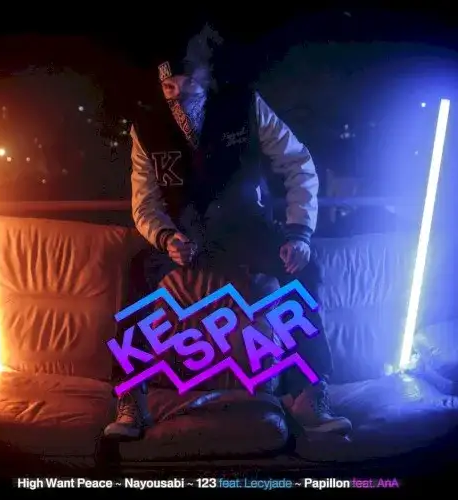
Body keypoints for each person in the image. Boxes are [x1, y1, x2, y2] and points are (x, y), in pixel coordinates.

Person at [105, 24, 352, 440]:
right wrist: (166, 238)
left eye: (185, 83)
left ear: (204, 77)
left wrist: (299, 233)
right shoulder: (145, 125)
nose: (176, 94)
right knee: (135, 272)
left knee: (304, 269)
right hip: (182, 236)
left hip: (246, 227)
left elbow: (298, 163)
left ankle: (308, 392)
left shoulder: (245, 106)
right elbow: (145, 202)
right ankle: (131, 396)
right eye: (167, 86)